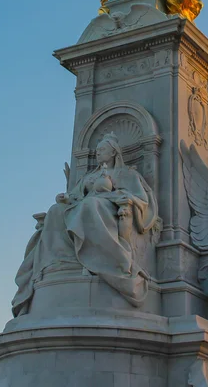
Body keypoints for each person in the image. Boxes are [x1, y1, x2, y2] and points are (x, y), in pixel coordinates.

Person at [11, 134, 157, 315]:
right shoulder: (91, 175)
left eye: (102, 150)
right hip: (86, 206)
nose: (98, 153)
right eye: (96, 151)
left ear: (113, 152)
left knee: (90, 206)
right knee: (56, 211)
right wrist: (64, 198)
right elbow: (75, 196)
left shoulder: (127, 174)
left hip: (108, 207)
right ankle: (60, 261)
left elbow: (141, 199)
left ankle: (98, 259)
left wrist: (125, 196)